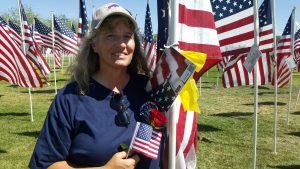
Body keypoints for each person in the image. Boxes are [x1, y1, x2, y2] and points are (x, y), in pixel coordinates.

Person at [29, 3, 165, 169]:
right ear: (94, 45)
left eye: (127, 36)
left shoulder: (149, 88)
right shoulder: (70, 98)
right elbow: (46, 164)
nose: (122, 44)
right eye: (110, 36)